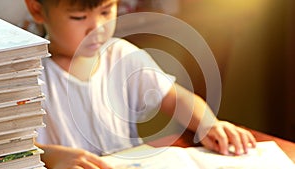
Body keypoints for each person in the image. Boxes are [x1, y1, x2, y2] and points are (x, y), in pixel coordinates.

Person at [25, 0, 256, 168]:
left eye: (106, 11)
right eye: (79, 17)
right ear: (37, 9)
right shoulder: (24, 75)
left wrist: (208, 124)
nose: (97, 28)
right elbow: (9, 149)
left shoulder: (121, 55)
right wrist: (49, 156)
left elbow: (175, 97)